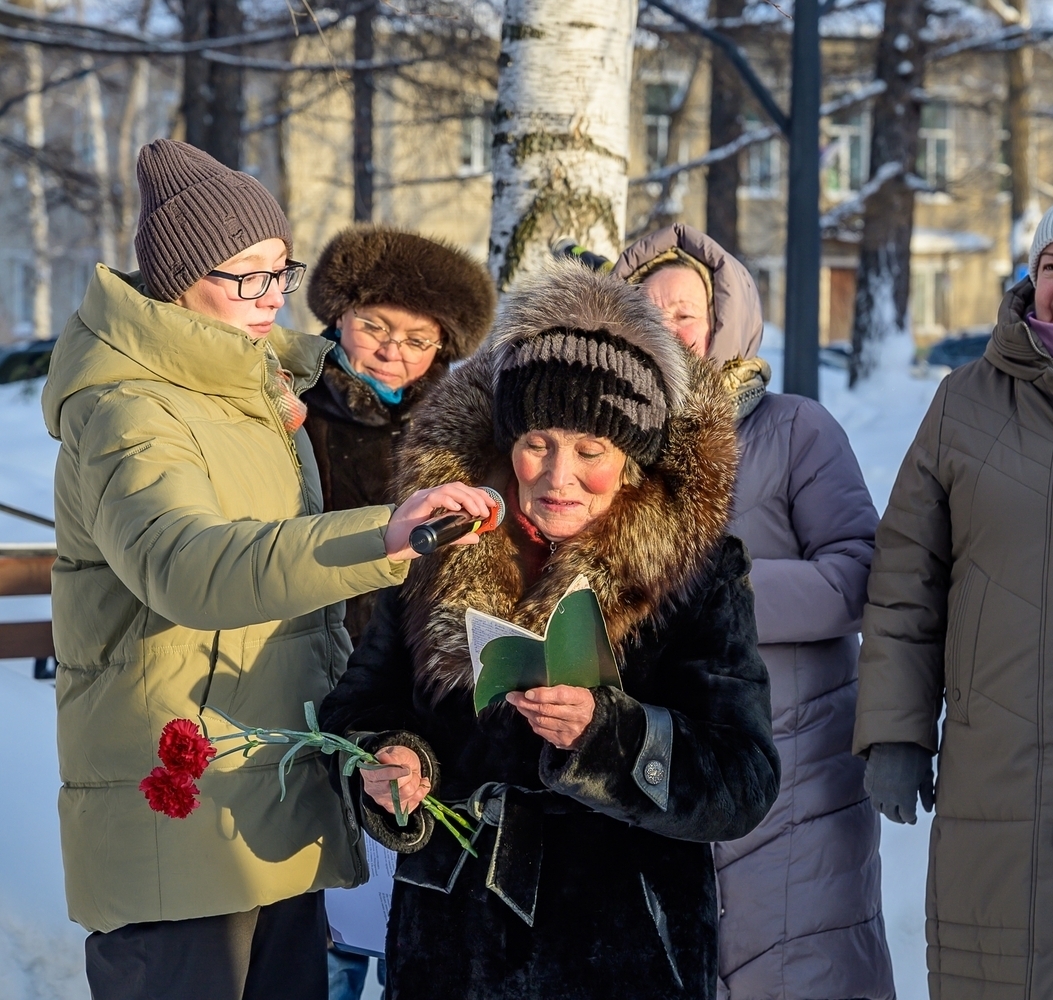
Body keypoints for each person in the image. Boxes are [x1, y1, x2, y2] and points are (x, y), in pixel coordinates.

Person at [41, 138, 496, 1000]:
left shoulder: (250, 393)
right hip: (179, 828)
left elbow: (294, 621)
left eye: (277, 273)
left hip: (269, 813)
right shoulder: (126, 407)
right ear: (178, 279)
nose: (267, 298)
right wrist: (381, 538)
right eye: (243, 276)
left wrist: (358, 747)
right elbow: (187, 567)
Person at [317, 259, 781, 1000]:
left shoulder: (697, 574)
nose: (557, 475)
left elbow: (744, 780)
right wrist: (388, 761)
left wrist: (613, 735)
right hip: (451, 948)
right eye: (537, 443)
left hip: (623, 952)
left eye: (590, 452)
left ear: (631, 462)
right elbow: (359, 707)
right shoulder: (449, 540)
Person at [615, 224, 895, 1000]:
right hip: (661, 755)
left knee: (799, 964)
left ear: (720, 320)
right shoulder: (603, 451)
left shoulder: (795, 429)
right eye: (647, 313)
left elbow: (858, 572)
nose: (667, 329)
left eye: (684, 311)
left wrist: (718, 596)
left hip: (793, 759)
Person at [855, 208, 1053, 999]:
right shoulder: (962, 404)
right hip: (994, 767)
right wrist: (897, 733)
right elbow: (906, 582)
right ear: (1032, 275)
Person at [303, 225, 496, 646]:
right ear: (340, 316)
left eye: (417, 340)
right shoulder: (296, 404)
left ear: (442, 345)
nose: (393, 352)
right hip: (318, 640)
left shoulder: (466, 423)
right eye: (374, 328)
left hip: (422, 653)